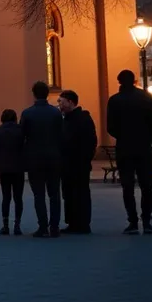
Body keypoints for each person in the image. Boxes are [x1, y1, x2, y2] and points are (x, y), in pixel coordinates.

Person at [106, 68, 152, 234]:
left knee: (127, 187)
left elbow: (111, 127)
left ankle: (132, 221)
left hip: (125, 148)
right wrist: (147, 137)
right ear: (135, 81)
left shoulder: (115, 100)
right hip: (143, 147)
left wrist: (123, 136)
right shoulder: (145, 98)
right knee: (146, 186)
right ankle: (147, 220)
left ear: (120, 82)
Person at [20, 81, 64, 238]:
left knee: (38, 194)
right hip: (53, 157)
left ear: (33, 93)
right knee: (54, 194)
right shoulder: (55, 113)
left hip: (35, 159)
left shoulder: (27, 113)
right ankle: (54, 227)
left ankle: (43, 226)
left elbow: (22, 136)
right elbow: (61, 135)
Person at [59, 90, 97, 234]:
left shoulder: (83, 119)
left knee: (80, 192)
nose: (59, 105)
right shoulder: (65, 119)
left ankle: (82, 222)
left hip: (79, 163)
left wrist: (85, 158)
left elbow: (91, 141)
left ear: (70, 102)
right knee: (68, 193)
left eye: (61, 101)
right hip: (67, 164)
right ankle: (73, 222)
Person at [0, 109, 24, 236]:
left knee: (6, 196)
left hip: (3, 167)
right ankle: (17, 225)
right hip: (18, 166)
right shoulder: (21, 131)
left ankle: (5, 225)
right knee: (18, 197)